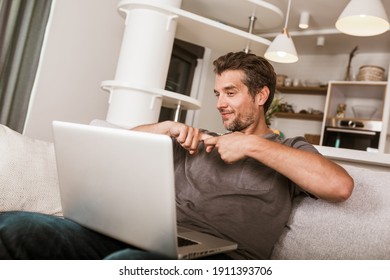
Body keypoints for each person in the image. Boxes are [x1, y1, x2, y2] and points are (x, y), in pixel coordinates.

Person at [0, 51, 354, 260]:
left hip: (222, 258)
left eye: (230, 93)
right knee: (17, 226)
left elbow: (339, 186)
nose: (220, 104)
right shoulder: (198, 141)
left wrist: (252, 145)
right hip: (147, 237)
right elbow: (118, 145)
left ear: (261, 96)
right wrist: (166, 127)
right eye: (217, 93)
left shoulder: (288, 151)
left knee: (125, 266)